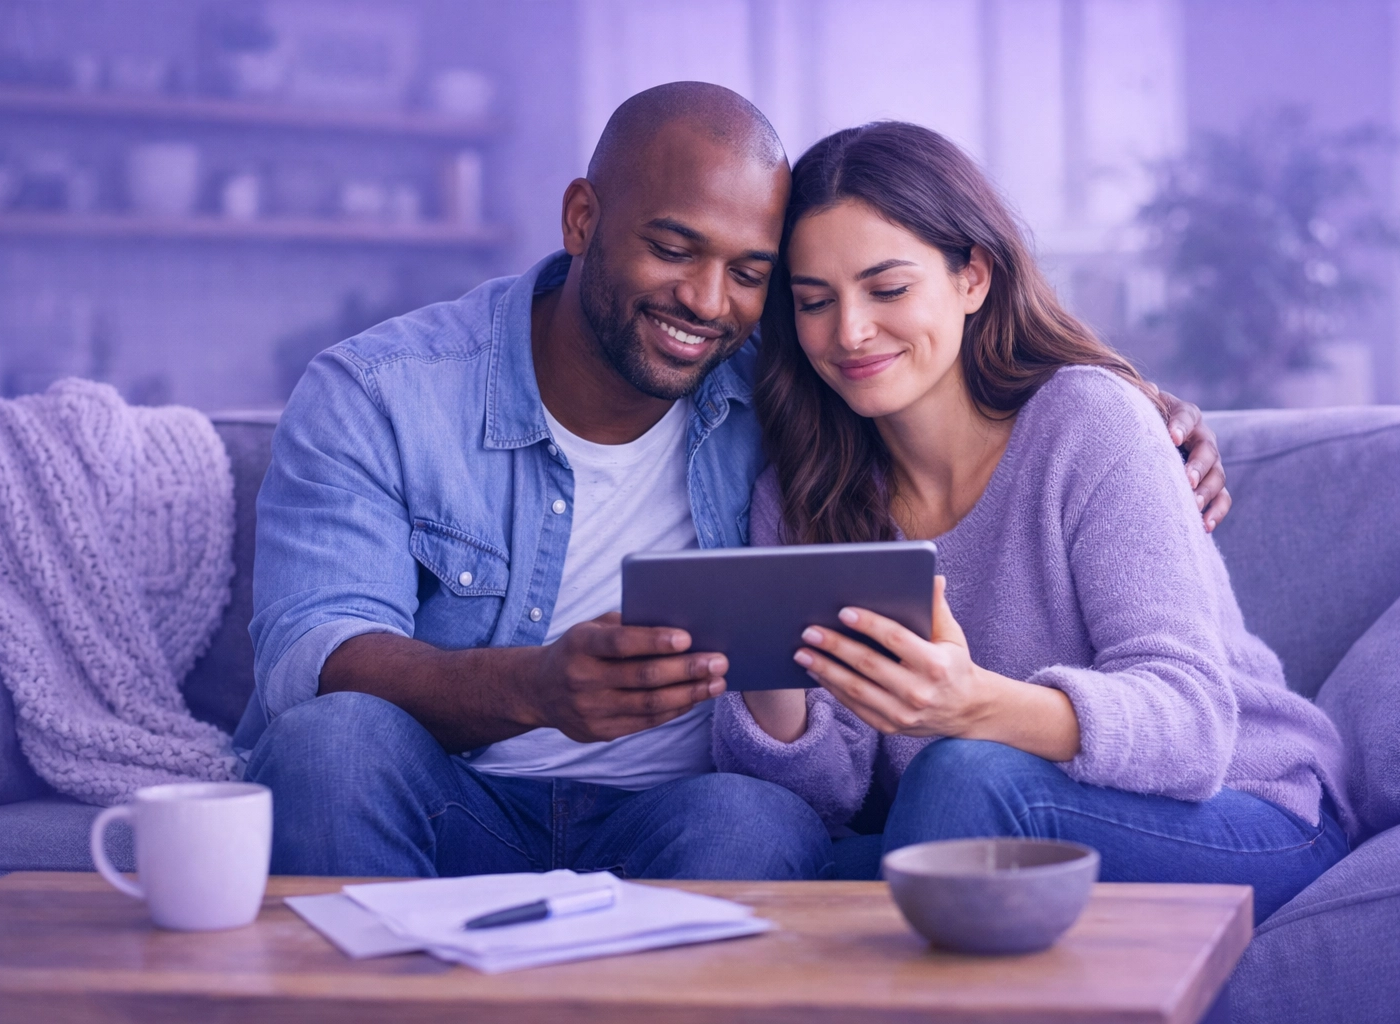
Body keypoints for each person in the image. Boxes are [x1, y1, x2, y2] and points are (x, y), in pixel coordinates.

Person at [241, 83, 1230, 882]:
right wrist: (535, 685)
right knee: (332, 744)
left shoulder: (784, 387)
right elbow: (305, 651)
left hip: (680, 816)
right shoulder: (381, 393)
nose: (707, 303)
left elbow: (941, 355)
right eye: (673, 248)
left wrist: (1147, 411)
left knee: (753, 819)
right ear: (583, 217)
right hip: (461, 794)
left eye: (750, 273)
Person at [711, 121, 1349, 920]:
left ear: (972, 277)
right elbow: (826, 799)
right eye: (814, 302)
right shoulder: (804, 490)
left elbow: (1192, 725)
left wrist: (973, 706)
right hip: (974, 827)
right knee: (754, 838)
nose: (849, 332)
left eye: (889, 288)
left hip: (1243, 808)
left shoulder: (1088, 422)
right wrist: (769, 671)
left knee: (962, 772)